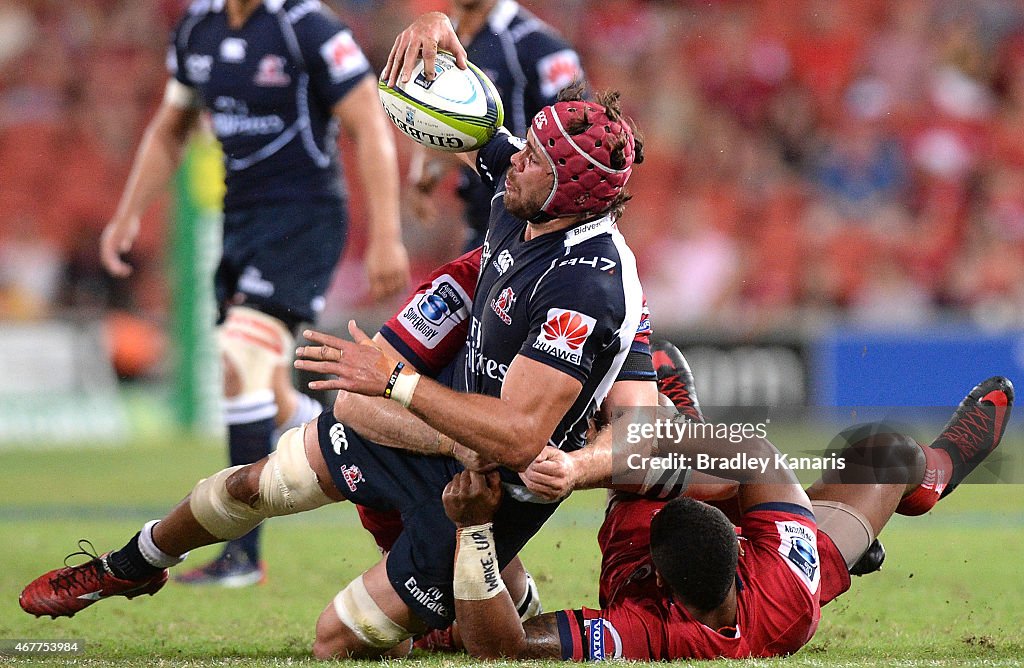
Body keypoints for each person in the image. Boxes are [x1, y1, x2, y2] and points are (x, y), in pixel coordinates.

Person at [19, 14, 649, 658]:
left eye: (534, 159)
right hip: (449, 435)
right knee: (255, 483)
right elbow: (470, 125)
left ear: (570, 192)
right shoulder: (528, 191)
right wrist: (436, 34)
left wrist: (397, 384)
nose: (513, 160)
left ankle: (485, 597)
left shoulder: (586, 286)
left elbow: (519, 436)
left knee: (336, 640)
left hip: (490, 490)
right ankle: (129, 565)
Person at [98, 0, 410, 585]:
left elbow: (369, 123)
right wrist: (128, 214)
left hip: (305, 219)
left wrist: (387, 236)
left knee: (241, 352)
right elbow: (171, 128)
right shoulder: (197, 29)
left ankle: (242, 554)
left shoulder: (308, 28)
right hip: (240, 220)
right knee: (264, 384)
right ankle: (360, 442)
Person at [438, 376, 1014, 660]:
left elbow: (507, 648)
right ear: (742, 549)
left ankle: (673, 418)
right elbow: (759, 458)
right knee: (891, 454)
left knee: (630, 448)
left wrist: (477, 526)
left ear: (658, 583)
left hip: (677, 508)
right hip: (797, 575)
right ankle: (934, 475)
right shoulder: (782, 579)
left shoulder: (645, 632)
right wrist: (668, 438)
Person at [405, 0, 584, 251]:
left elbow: (578, 135)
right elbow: (439, 116)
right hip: (482, 221)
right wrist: (425, 173)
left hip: (528, 228)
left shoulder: (539, 45)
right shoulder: (442, 40)